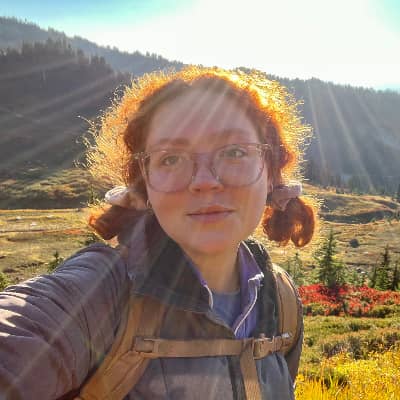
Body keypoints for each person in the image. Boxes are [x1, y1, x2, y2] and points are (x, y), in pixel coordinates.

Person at [0, 66, 315, 400]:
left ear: (271, 171)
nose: (204, 181)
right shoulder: (102, 291)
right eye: (171, 159)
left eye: (235, 152)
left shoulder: (280, 300)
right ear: (144, 181)